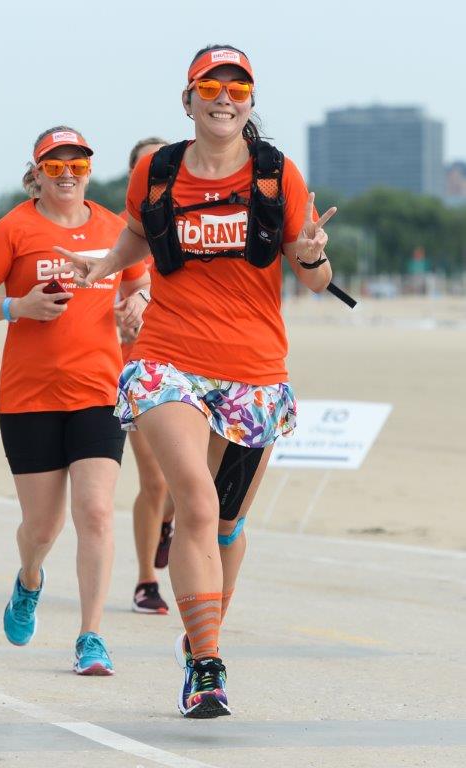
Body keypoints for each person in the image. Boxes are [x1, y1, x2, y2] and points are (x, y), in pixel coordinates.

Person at [53, 46, 336, 717]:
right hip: (167, 362)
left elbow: (314, 278)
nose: (224, 96)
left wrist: (316, 254)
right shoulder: (158, 171)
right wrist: (103, 269)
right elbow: (136, 239)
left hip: (254, 373)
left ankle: (197, 636)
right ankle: (208, 667)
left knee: (229, 527)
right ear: (188, 100)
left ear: (249, 101)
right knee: (196, 506)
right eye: (210, 84)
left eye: (238, 86)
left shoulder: (277, 175)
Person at [0, 126, 150, 674]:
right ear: (37, 172)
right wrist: (18, 308)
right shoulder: (12, 229)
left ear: (90, 169)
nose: (68, 175)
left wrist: (135, 307)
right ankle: (29, 578)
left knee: (94, 512)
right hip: (30, 396)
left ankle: (91, 636)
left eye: (78, 165)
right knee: (42, 527)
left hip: (98, 389)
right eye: (55, 166)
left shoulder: (115, 227)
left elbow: (138, 284)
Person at [116, 137, 175, 615]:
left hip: (190, 367)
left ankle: (168, 525)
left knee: (189, 482)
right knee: (154, 479)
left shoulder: (193, 225)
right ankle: (145, 580)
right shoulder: (120, 234)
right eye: (149, 168)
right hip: (132, 367)